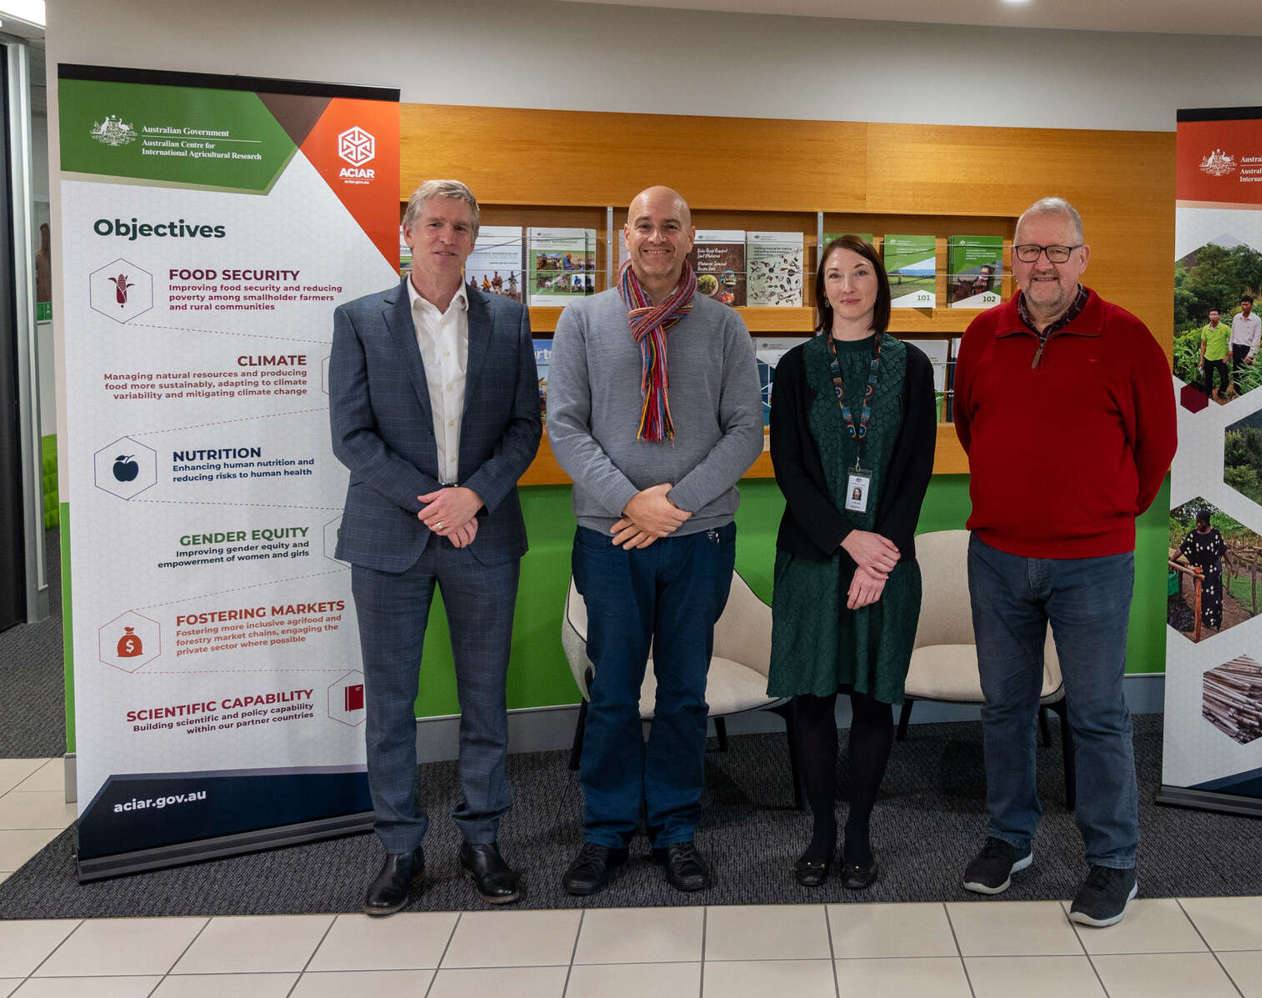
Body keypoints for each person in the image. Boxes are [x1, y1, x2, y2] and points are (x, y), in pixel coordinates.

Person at [952, 196, 1176, 927]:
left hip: (1093, 563)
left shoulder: (1128, 337)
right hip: (997, 557)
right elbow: (970, 428)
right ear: (1012, 258)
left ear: (1083, 258)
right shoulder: (982, 333)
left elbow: (1156, 449)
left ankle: (1113, 863)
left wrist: (1103, 510)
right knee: (1005, 709)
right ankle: (1009, 838)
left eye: (1057, 250)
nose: (1041, 264)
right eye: (1029, 250)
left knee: (1100, 716)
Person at [329, 179, 542, 915]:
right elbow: (351, 437)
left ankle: (482, 840)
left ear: (474, 238)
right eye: (434, 224)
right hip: (390, 538)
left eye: (460, 226)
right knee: (391, 702)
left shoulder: (510, 322)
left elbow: (524, 429)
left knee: (486, 698)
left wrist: (472, 496)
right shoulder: (359, 321)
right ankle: (400, 850)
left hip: (483, 533)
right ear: (408, 232)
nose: (446, 236)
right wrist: (435, 505)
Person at [548, 185, 761, 896]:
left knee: (682, 694)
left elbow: (745, 432)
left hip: (698, 540)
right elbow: (566, 427)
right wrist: (632, 502)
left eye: (670, 226)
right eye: (644, 225)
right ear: (626, 236)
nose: (656, 237)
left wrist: (674, 504)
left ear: (690, 235)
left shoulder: (724, 326)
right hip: (609, 536)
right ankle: (605, 833)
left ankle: (675, 830)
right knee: (610, 693)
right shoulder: (583, 320)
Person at [767, 235, 936, 890]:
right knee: (810, 699)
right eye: (834, 274)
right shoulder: (796, 365)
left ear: (879, 283)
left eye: (860, 272)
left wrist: (878, 553)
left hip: (888, 562)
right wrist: (847, 541)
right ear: (821, 288)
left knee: (872, 700)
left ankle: (859, 831)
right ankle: (819, 832)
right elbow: (790, 468)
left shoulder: (912, 365)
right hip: (812, 557)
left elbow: (915, 467)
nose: (848, 285)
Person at [1172, 511, 1226, 632]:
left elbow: (1223, 549)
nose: (1197, 524)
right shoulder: (1193, 535)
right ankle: (1204, 619)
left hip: (1214, 571)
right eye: (1197, 521)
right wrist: (1172, 559)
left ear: (1206, 522)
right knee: (1202, 596)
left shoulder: (1215, 534)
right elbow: (1182, 548)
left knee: (1214, 597)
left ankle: (1213, 620)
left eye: (1200, 521)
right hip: (1200, 570)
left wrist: (1232, 565)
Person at [1197, 308, 1231, 402]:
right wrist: (1201, 360)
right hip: (1208, 358)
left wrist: (1228, 356)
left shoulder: (1225, 328)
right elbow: (1203, 345)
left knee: (1225, 379)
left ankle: (1221, 392)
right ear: (1209, 316)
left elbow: (1232, 341)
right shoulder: (1205, 329)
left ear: (1219, 316)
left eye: (1215, 314)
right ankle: (1209, 395)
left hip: (1221, 358)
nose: (1213, 316)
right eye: (1211, 314)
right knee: (1208, 379)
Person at [1229, 296, 1260, 391]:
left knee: (1246, 372)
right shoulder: (1236, 317)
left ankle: (1245, 392)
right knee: (1236, 372)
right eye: (1242, 304)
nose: (1244, 306)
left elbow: (1257, 338)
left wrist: (1251, 355)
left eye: (1247, 304)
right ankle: (1237, 391)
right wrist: (1230, 348)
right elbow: (1232, 333)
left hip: (1247, 349)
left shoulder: (1256, 320)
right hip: (1236, 347)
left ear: (1251, 305)